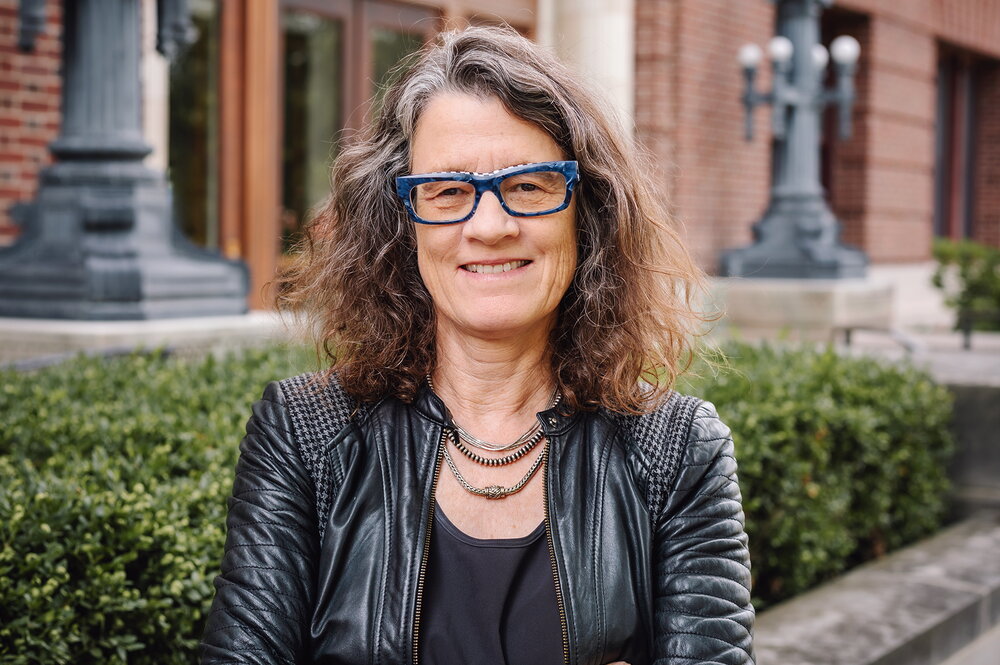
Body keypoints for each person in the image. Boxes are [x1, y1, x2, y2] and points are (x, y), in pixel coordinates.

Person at [201, 25, 754, 665]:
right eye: (448, 192)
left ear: (587, 210)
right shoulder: (305, 437)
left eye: (529, 185)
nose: (489, 226)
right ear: (401, 222)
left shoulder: (678, 451)